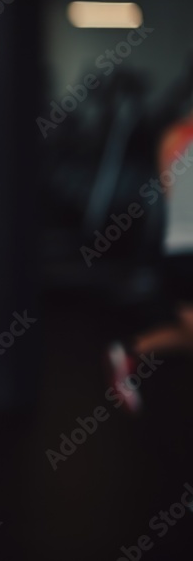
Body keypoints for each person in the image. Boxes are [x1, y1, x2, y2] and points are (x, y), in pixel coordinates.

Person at [106, 110, 193, 413]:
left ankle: (132, 349)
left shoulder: (172, 135)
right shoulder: (179, 135)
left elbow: (169, 191)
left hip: (177, 246)